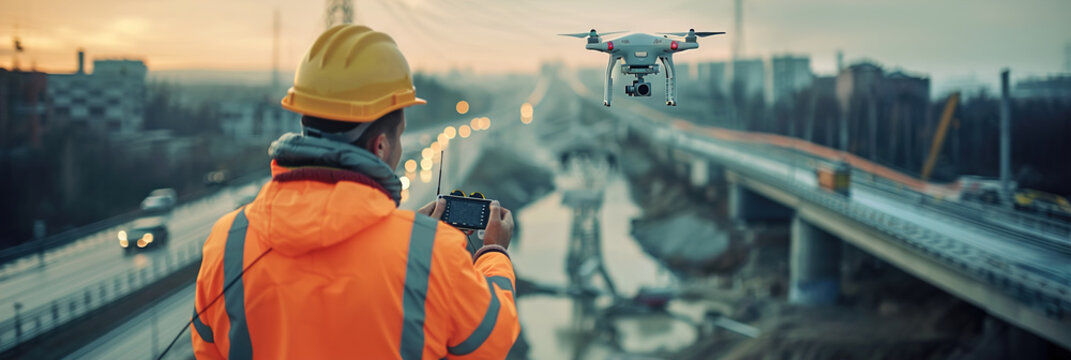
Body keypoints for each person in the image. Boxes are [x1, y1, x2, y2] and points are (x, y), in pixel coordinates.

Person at [191, 24, 520, 359]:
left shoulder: (226, 243)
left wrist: (412, 238)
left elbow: (207, 350)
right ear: (380, 146)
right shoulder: (431, 255)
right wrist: (493, 252)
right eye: (400, 135)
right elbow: (493, 339)